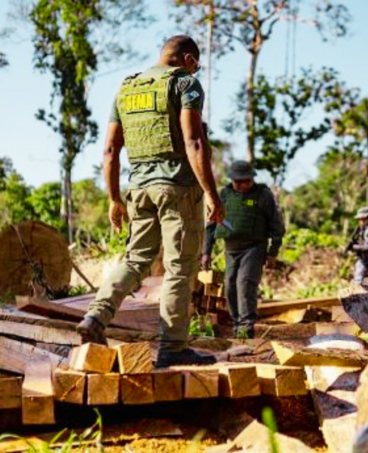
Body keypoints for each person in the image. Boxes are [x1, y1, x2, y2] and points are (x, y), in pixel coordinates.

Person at [76, 35, 225, 368]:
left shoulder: (126, 89)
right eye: (196, 64)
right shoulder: (186, 83)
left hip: (138, 189)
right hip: (177, 189)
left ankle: (96, 316)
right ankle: (172, 348)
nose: (196, 69)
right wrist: (214, 195)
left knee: (135, 259)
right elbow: (194, 142)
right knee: (179, 268)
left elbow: (111, 151)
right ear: (187, 59)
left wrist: (114, 199)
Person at [201, 160, 285, 339]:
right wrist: (206, 252)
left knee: (245, 283)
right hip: (231, 249)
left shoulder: (263, 195)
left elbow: (277, 226)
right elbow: (210, 226)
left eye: (246, 181)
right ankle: (237, 323)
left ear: (252, 178)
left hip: (254, 248)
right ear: (231, 180)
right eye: (238, 182)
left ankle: (246, 327)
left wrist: (272, 253)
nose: (242, 185)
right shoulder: (224, 195)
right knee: (230, 285)